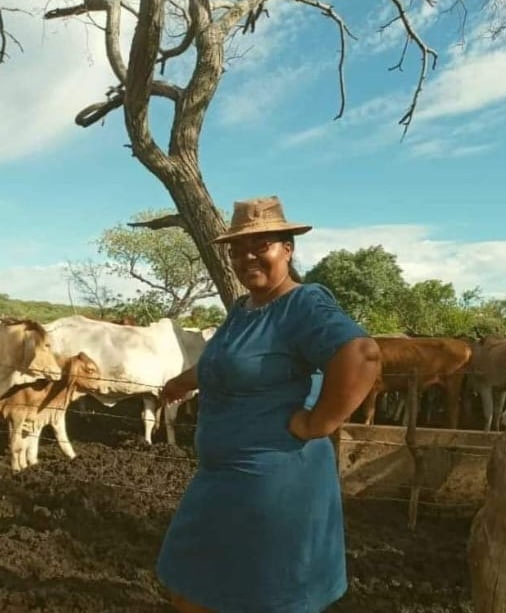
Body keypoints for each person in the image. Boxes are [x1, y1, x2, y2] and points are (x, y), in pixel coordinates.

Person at [157, 196, 381, 613]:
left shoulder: (304, 302)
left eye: (262, 246)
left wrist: (319, 423)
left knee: (261, 597)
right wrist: (182, 382)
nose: (247, 257)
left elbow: (362, 355)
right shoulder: (244, 309)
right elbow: (227, 361)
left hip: (274, 485)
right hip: (221, 480)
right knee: (189, 584)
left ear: (288, 249)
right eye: (238, 249)